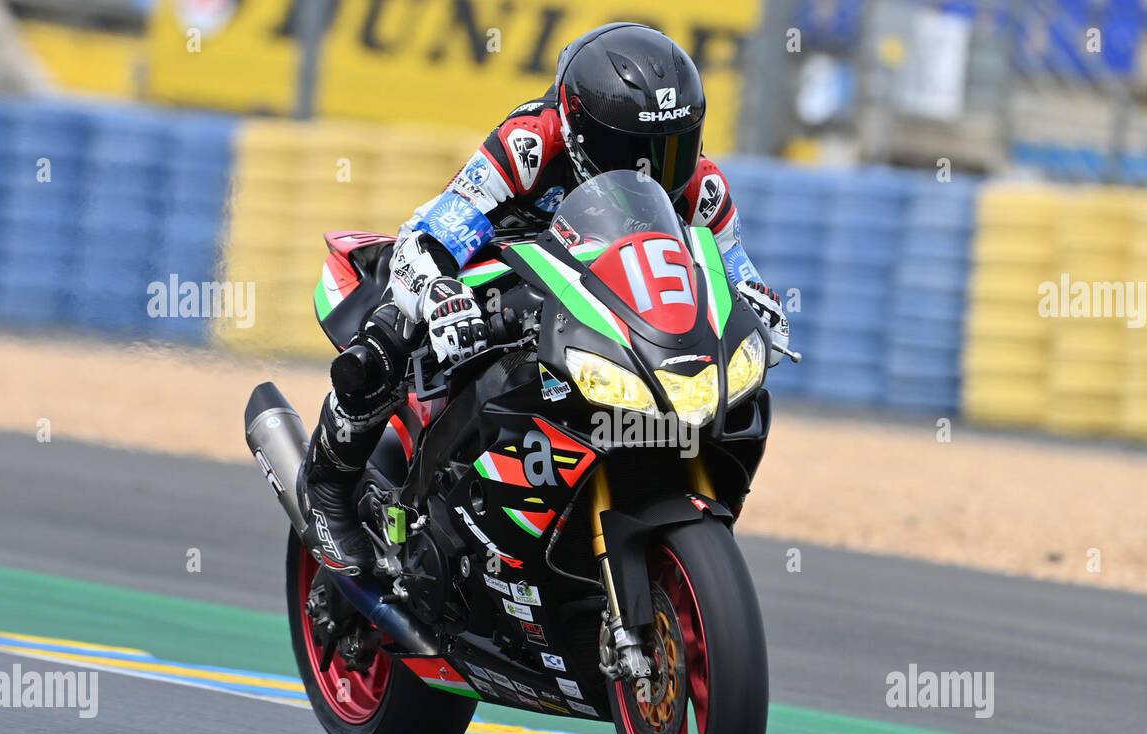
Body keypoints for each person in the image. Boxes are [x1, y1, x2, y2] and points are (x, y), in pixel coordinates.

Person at [299, 22, 790, 575]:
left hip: (598, 296)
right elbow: (432, 236)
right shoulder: (529, 143)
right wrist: (439, 293)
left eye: (672, 148)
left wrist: (760, 306)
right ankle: (327, 484)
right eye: (629, 150)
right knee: (392, 332)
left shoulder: (702, 185)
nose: (652, 166)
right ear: (578, 131)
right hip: (494, 271)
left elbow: (731, 267)